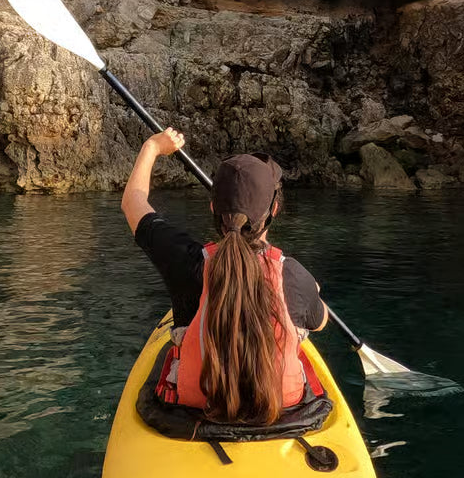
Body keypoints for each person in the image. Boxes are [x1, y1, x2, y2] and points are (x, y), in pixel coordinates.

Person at [122, 127, 328, 425]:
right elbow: (319, 322)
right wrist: (312, 290)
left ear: (211, 208)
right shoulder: (292, 274)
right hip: (281, 412)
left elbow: (133, 202)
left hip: (195, 411)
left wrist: (152, 147)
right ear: (275, 210)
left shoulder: (186, 261)